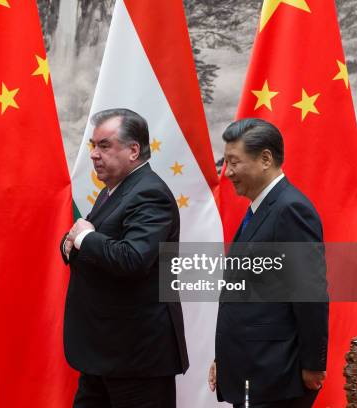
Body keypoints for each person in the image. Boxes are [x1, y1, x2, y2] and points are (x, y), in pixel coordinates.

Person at [61, 108, 189, 408]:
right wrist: (76, 240)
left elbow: (132, 258)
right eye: (93, 145)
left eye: (104, 145)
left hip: (137, 358)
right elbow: (89, 238)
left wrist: (82, 238)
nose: (94, 154)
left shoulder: (149, 194)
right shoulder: (115, 191)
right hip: (105, 353)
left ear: (133, 150)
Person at [209, 118, 329, 408]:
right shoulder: (261, 208)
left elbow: (309, 291)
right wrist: (223, 358)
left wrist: (313, 363)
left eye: (234, 162)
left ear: (265, 159)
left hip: (276, 374)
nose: (228, 173)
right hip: (253, 366)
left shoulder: (290, 209)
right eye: (226, 162)